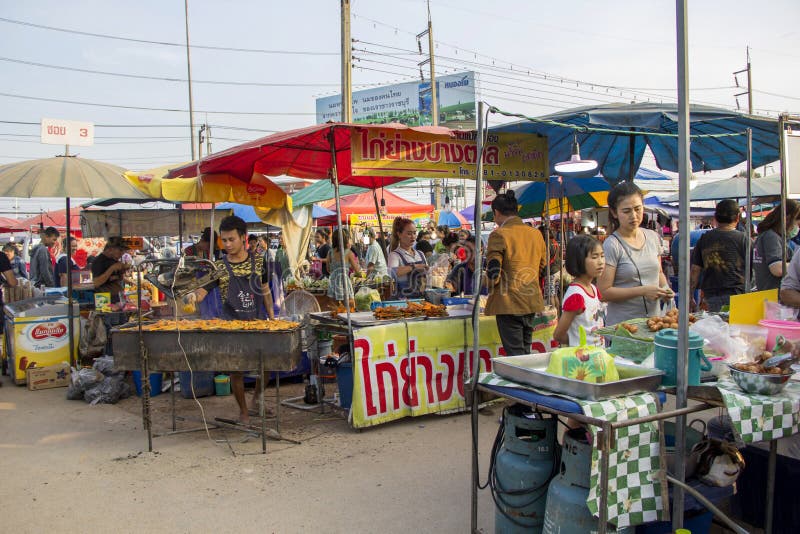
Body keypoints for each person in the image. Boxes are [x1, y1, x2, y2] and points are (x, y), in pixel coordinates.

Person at [188, 215, 275, 425]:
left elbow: (265, 291)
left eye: (231, 240)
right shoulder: (219, 266)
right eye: (224, 241)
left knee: (268, 365)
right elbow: (202, 291)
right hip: (231, 325)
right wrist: (192, 297)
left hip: (255, 322)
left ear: (243, 238)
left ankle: (256, 399)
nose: (227, 244)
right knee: (236, 370)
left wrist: (272, 318)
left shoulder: (258, 262)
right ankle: (243, 411)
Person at [598, 182, 672, 326]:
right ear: (614, 213)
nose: (634, 216)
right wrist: (642, 291)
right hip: (624, 328)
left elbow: (659, 273)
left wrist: (665, 289)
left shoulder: (652, 237)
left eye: (638, 209)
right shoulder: (612, 245)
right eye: (626, 211)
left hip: (653, 324)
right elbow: (603, 292)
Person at [484, 190, 547, 356]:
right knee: (525, 352)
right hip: (531, 301)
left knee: (516, 356)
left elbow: (493, 273)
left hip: (508, 303)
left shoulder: (499, 234)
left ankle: (522, 382)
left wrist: (484, 283)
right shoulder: (536, 234)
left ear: (496, 212)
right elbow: (542, 267)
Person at [689, 199, 749, 312]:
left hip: (710, 298)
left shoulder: (704, 239)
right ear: (737, 217)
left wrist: (690, 296)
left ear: (715, 217)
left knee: (713, 328)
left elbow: (695, 270)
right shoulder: (745, 239)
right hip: (738, 297)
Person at [553, 235, 605, 347]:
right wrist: (578, 341)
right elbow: (558, 335)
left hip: (598, 355)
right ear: (579, 260)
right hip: (584, 361)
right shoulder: (576, 296)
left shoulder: (594, 289)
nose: (601, 262)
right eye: (595, 257)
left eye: (602, 256)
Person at [753, 200, 800, 291]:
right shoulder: (771, 237)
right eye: (797, 224)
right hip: (775, 296)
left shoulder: (770, 236)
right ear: (788, 218)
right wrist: (797, 265)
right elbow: (777, 268)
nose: (797, 228)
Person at [388, 217, 428, 299]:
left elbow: (427, 275)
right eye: (409, 233)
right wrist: (414, 267)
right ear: (399, 234)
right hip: (404, 301)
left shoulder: (420, 254)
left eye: (414, 233)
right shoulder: (395, 255)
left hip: (422, 299)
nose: (413, 236)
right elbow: (392, 273)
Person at [327, 229, 362, 307]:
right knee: (350, 307)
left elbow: (328, 269)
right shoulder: (348, 252)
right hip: (344, 282)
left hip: (333, 282)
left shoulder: (330, 252)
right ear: (346, 239)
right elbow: (357, 270)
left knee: (335, 308)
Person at [91, 236, 130, 304]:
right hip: (104, 299)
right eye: (120, 250)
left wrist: (122, 270)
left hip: (116, 298)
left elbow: (117, 279)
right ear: (110, 249)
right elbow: (96, 283)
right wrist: (112, 269)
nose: (123, 253)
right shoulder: (98, 262)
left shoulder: (113, 260)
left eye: (124, 251)